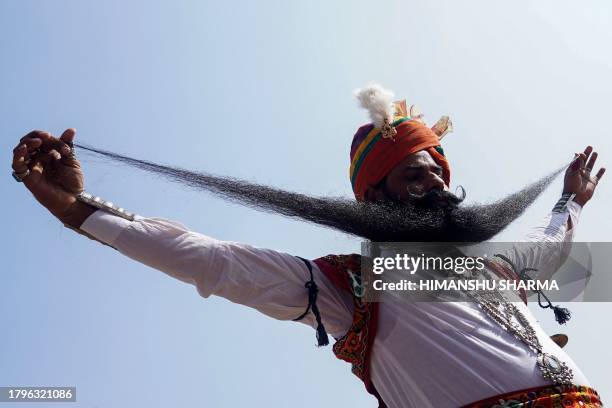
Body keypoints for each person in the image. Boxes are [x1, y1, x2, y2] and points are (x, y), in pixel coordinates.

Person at [10, 84, 606, 407]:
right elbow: (213, 260)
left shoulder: (498, 270)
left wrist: (572, 201)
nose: (438, 186)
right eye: (416, 176)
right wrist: (78, 211)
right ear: (375, 203)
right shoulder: (352, 287)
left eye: (440, 174)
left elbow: (551, 246)